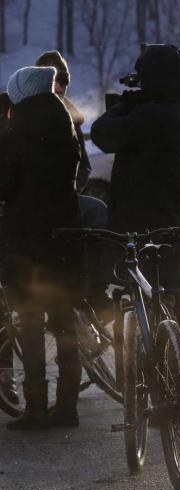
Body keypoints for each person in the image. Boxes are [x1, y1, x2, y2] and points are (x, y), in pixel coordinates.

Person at [90, 44, 180, 418]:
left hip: (144, 223)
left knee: (154, 305)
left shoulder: (159, 115)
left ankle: (165, 395)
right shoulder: (177, 111)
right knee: (170, 302)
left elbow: (102, 133)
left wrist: (126, 106)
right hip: (169, 220)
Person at [0, 66, 84, 430]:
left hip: (27, 243)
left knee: (30, 325)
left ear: (20, 95)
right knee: (65, 324)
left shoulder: (14, 133)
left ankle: (35, 407)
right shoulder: (65, 126)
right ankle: (67, 406)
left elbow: (5, 187)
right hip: (64, 238)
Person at [34, 51, 92, 193]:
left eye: (64, 80)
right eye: (54, 80)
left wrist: (69, 191)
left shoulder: (72, 120)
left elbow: (83, 166)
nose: (60, 87)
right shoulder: (20, 114)